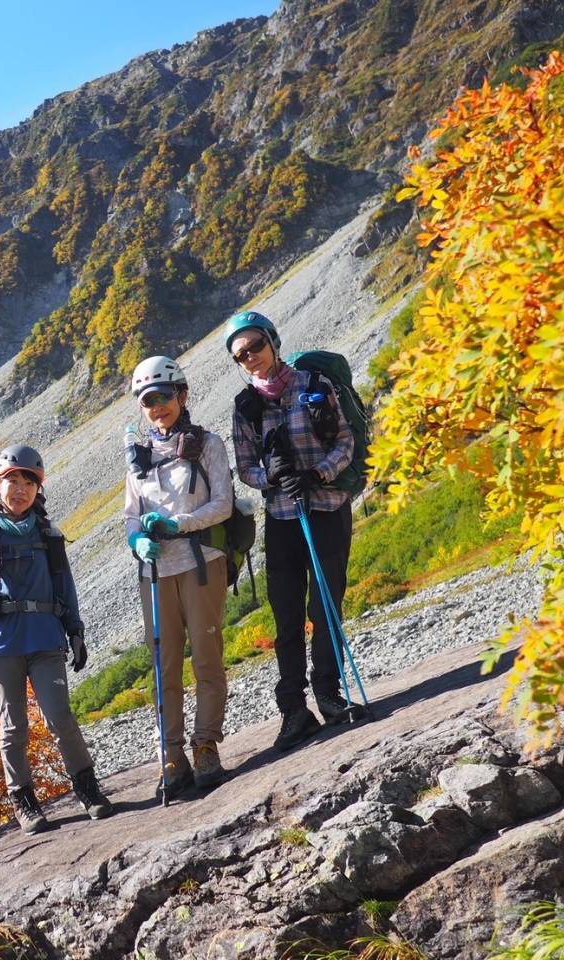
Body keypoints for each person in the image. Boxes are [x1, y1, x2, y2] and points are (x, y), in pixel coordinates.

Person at [0, 444, 113, 834]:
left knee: (61, 717)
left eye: (28, 482)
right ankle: (23, 801)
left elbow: (66, 587)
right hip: (3, 643)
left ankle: (87, 789)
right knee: (13, 726)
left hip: (45, 638)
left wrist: (76, 631)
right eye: (12, 481)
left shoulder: (48, 533)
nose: (20, 489)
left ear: (38, 489)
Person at [223, 311, 355, 751]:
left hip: (327, 508)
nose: (250, 359)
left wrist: (317, 474)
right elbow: (244, 467)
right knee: (286, 617)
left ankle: (329, 694)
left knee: (325, 608)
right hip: (281, 518)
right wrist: (272, 477)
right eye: (241, 355)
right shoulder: (245, 408)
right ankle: (294, 710)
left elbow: (345, 441)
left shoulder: (316, 384)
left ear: (273, 342)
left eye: (255, 347)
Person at [123, 356, 233, 796]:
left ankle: (206, 745)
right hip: (153, 572)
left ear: (182, 396)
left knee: (207, 658)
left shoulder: (209, 445)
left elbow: (222, 505)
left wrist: (178, 524)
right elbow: (131, 515)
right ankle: (171, 754)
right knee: (163, 666)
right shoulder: (136, 458)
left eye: (164, 397)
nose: (157, 407)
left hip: (201, 562)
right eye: (148, 401)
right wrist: (137, 541)